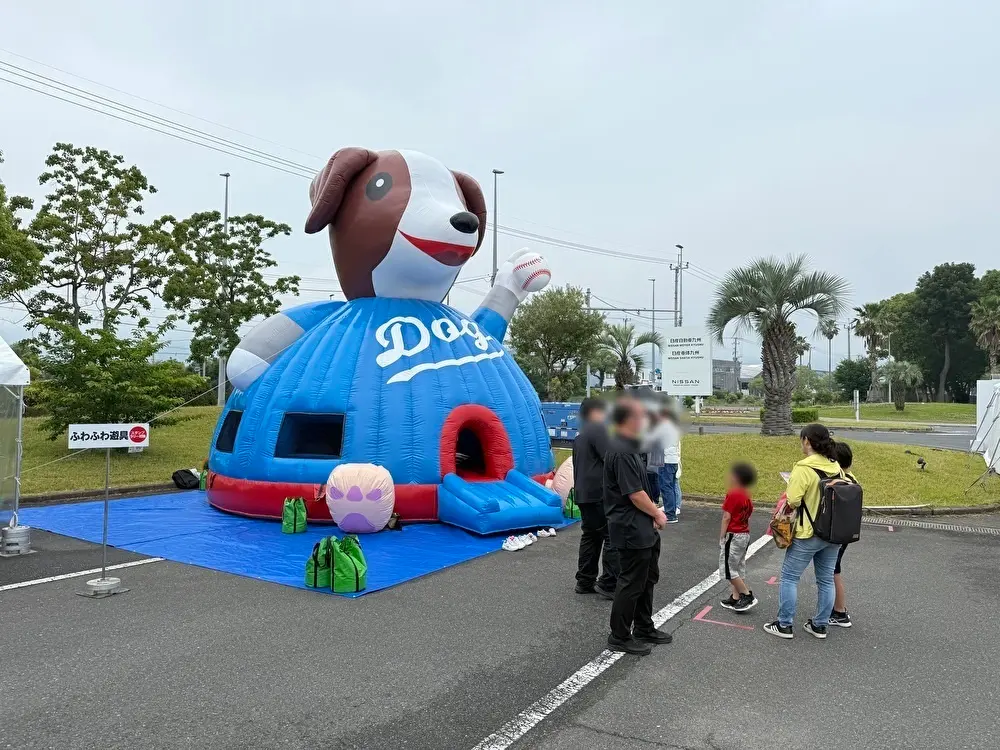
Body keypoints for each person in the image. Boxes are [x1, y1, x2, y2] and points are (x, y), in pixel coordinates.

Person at [603, 397, 672, 655]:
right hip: (630, 527)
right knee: (631, 582)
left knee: (647, 578)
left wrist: (652, 515)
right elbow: (634, 494)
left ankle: (644, 626)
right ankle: (619, 635)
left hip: (642, 527)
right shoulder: (621, 451)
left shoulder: (630, 448)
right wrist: (658, 513)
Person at [764, 423, 843, 641]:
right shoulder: (835, 466)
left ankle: (784, 624)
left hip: (808, 532)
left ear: (807, 441)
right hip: (833, 532)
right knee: (826, 580)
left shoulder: (803, 468)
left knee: (789, 577)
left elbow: (793, 500)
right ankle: (820, 625)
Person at [573, 398, 618, 598]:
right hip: (600, 493)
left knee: (590, 536)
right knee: (610, 536)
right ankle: (609, 583)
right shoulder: (598, 430)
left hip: (584, 493)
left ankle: (585, 580)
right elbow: (611, 459)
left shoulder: (580, 436)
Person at [719, 462, 758, 612]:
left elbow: (726, 517)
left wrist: (722, 536)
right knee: (738, 566)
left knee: (728, 569)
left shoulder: (733, 493)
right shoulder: (745, 494)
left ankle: (746, 595)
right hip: (744, 534)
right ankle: (735, 597)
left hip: (733, 534)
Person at [830, 441, 858, 628]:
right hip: (846, 531)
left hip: (837, 533)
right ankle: (837, 609)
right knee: (833, 571)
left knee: (833, 572)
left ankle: (840, 612)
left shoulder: (839, 483)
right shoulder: (852, 480)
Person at [648, 405, 681, 523]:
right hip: (673, 460)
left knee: (666, 487)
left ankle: (670, 514)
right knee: (671, 487)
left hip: (666, 460)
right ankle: (671, 511)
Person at [642, 409, 663, 506]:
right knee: (654, 478)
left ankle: (654, 500)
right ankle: (654, 499)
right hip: (657, 455)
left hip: (653, 456)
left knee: (652, 478)